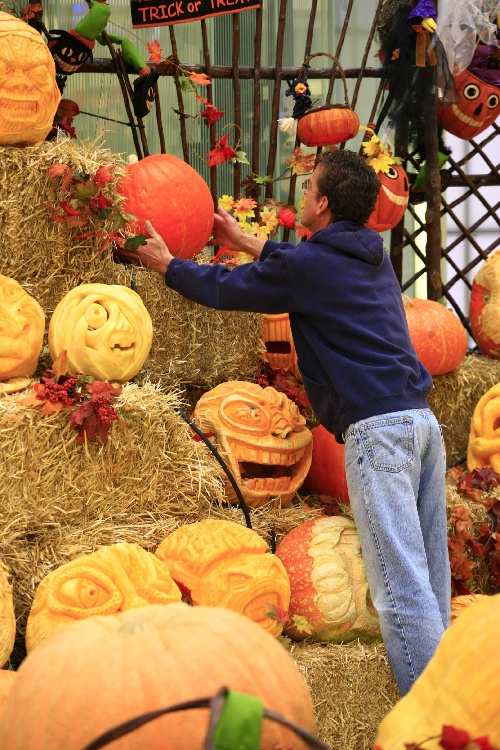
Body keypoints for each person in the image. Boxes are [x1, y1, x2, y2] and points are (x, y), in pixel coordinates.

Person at [118, 148, 450, 696]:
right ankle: (466, 710)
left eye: (308, 186)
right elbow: (304, 267)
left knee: (399, 588)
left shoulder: (310, 267)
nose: (302, 194)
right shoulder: (371, 255)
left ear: (321, 202)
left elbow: (229, 290)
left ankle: (436, 722)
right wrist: (248, 241)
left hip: (378, 434)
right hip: (421, 426)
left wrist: (167, 265)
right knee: (431, 579)